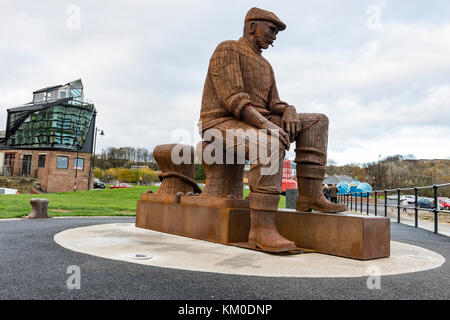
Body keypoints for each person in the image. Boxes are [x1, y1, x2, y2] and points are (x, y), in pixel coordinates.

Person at [198, 7, 347, 252]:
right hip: (220, 122)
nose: (274, 36)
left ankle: (309, 196)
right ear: (252, 25)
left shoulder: (266, 66)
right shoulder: (227, 49)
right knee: (268, 142)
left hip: (255, 120)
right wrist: (267, 126)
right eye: (272, 29)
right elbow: (233, 98)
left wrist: (288, 109)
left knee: (317, 121)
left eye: (277, 32)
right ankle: (261, 229)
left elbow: (273, 103)